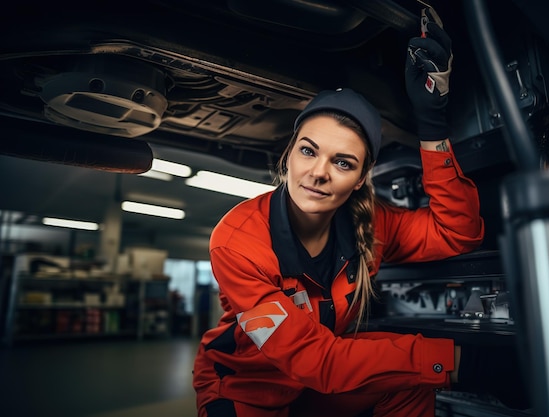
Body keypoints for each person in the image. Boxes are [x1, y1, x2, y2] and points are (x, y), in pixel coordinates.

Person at [193, 7, 522, 417]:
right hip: (247, 393)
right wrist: (463, 363)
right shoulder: (239, 239)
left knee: (410, 382)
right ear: (289, 154)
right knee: (419, 364)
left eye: (343, 163)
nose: (318, 173)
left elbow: (458, 231)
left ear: (363, 176)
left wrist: (432, 124)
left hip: (314, 387)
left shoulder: (371, 224)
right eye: (308, 151)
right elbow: (316, 361)